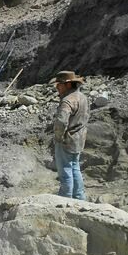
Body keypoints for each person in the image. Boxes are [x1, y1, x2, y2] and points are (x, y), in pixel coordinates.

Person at [51, 70, 90, 200]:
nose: (57, 87)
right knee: (75, 168)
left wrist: (58, 138)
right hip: (79, 139)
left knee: (65, 171)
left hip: (67, 140)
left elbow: (61, 122)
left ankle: (65, 199)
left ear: (68, 84)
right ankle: (79, 198)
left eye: (59, 84)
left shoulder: (68, 101)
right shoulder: (83, 98)